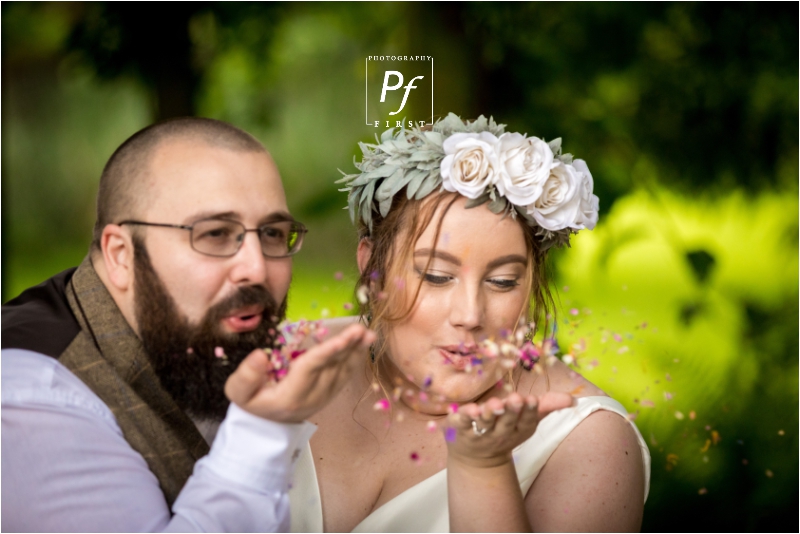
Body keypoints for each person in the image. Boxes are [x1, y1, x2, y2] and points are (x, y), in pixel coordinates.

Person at [1, 117, 375, 532]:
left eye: (271, 233)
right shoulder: (35, 404)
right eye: (215, 234)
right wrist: (262, 432)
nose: (256, 268)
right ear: (121, 255)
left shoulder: (190, 334)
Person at [288, 114, 651, 532]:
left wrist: (484, 472)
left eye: (502, 282)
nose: (470, 316)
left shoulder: (589, 443)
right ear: (372, 267)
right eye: (436, 277)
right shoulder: (284, 362)